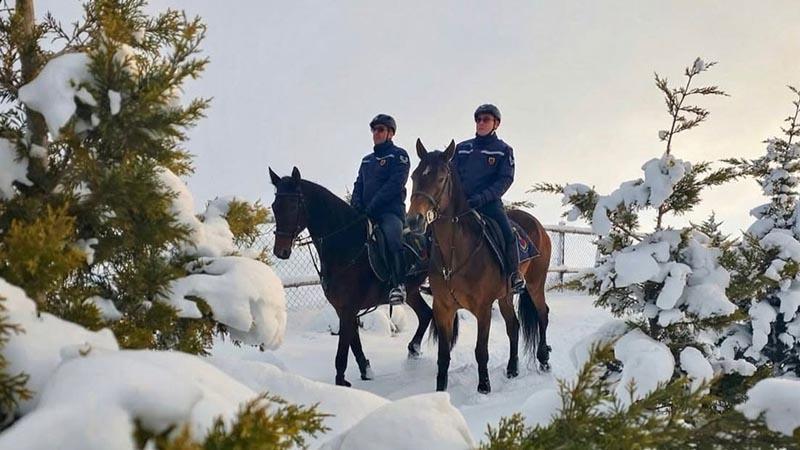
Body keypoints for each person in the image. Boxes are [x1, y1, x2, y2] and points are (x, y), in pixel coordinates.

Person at [453, 104, 525, 293]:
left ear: (496, 124)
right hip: (461, 205)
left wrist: (482, 198)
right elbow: (452, 175)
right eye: (478, 119)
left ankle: (514, 275)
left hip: (489, 204)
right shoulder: (462, 148)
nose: (481, 123)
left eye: (486, 119)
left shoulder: (504, 150)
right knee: (435, 229)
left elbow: (505, 179)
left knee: (508, 234)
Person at [351, 114, 410, 305]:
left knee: (393, 238)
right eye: (374, 130)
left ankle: (399, 285)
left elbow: (394, 184)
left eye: (381, 129)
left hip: (390, 212)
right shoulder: (366, 161)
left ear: (390, 133)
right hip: (365, 212)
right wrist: (356, 205)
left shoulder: (399, 156)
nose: (376, 133)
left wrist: (372, 206)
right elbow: (359, 184)